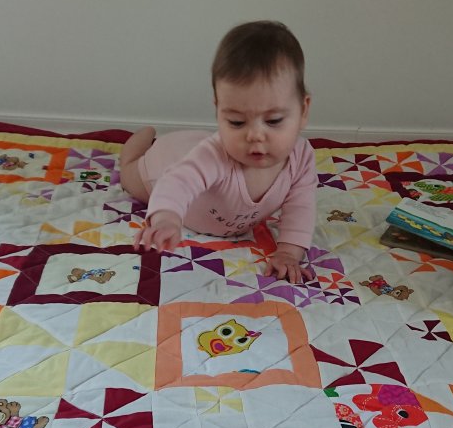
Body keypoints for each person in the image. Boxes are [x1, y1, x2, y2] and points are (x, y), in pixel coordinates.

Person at [120, 20, 317, 284]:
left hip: (192, 149)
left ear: (303, 110)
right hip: (164, 165)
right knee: (128, 175)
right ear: (218, 110)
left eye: (273, 121)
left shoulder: (301, 158)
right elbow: (177, 182)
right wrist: (167, 217)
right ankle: (136, 145)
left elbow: (301, 206)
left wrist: (289, 253)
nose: (255, 136)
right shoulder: (214, 155)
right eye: (236, 122)